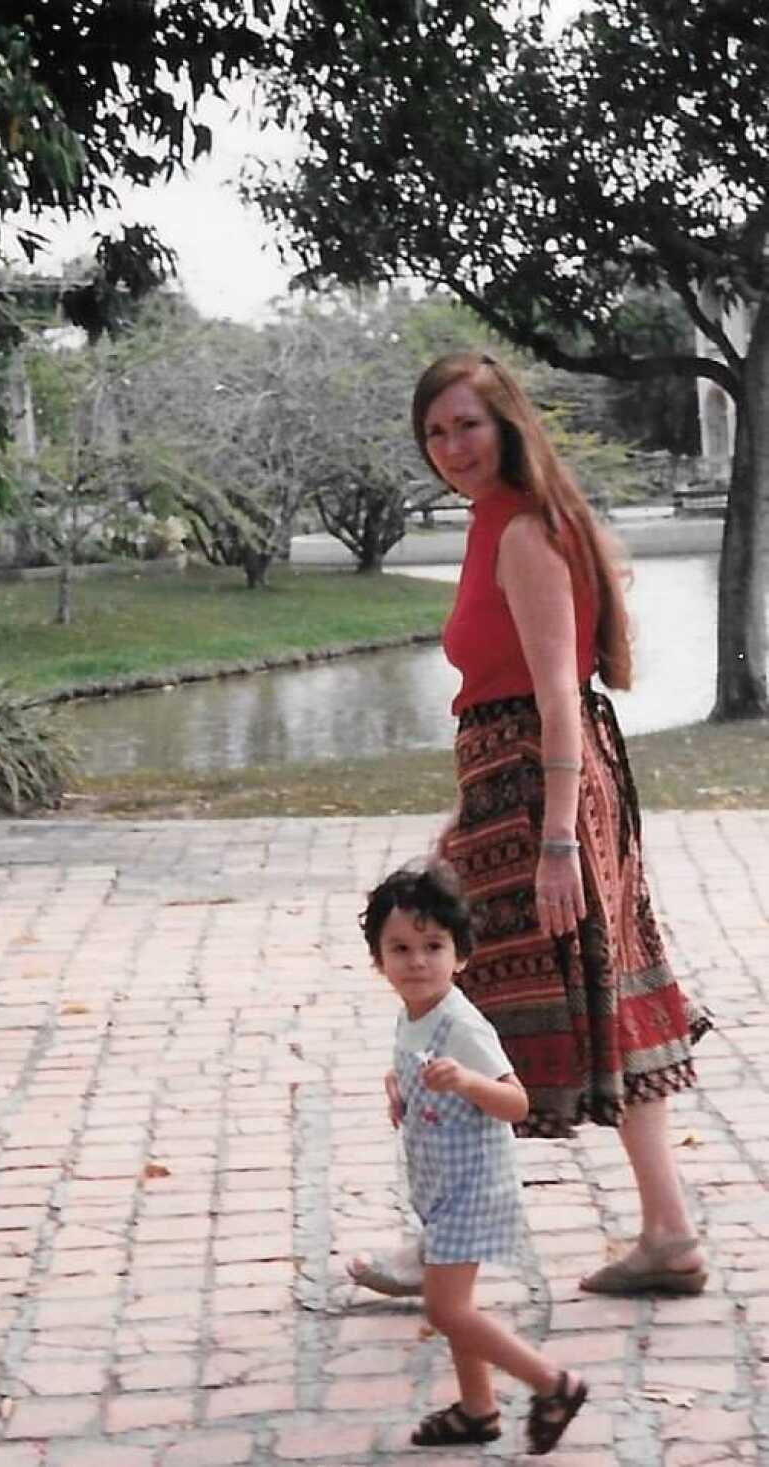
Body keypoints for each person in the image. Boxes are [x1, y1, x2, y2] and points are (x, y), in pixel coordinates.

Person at [361, 351, 708, 1299]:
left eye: (467, 424)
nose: (450, 447)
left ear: (508, 422)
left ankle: (444, 1246)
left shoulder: (523, 531)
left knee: (464, 1013)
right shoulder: (501, 522)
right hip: (517, 785)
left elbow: (557, 695)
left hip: (540, 789)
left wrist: (555, 839)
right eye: (434, 432)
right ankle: (669, 1233)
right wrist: (468, 826)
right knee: (588, 997)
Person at [353, 861, 588, 1454]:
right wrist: (397, 1087)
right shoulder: (414, 1014)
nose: (417, 961)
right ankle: (478, 1410)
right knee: (456, 1305)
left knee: (445, 1307)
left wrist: (465, 1083)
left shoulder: (463, 1026)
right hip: (441, 1186)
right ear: (379, 961)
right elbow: (412, 1064)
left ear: (460, 955)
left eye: (433, 946)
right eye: (400, 948)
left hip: (474, 1188)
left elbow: (516, 1103)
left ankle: (551, 1383)